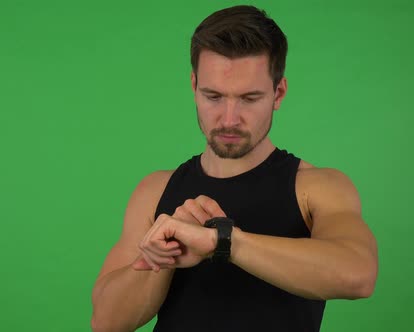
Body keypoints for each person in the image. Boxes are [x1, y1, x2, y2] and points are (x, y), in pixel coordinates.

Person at [91, 5, 378, 332]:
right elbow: (106, 322)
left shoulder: (316, 188)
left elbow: (358, 276)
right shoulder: (155, 191)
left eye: (249, 98)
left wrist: (222, 242)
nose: (229, 119)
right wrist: (163, 258)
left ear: (278, 93)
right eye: (213, 96)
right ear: (194, 86)